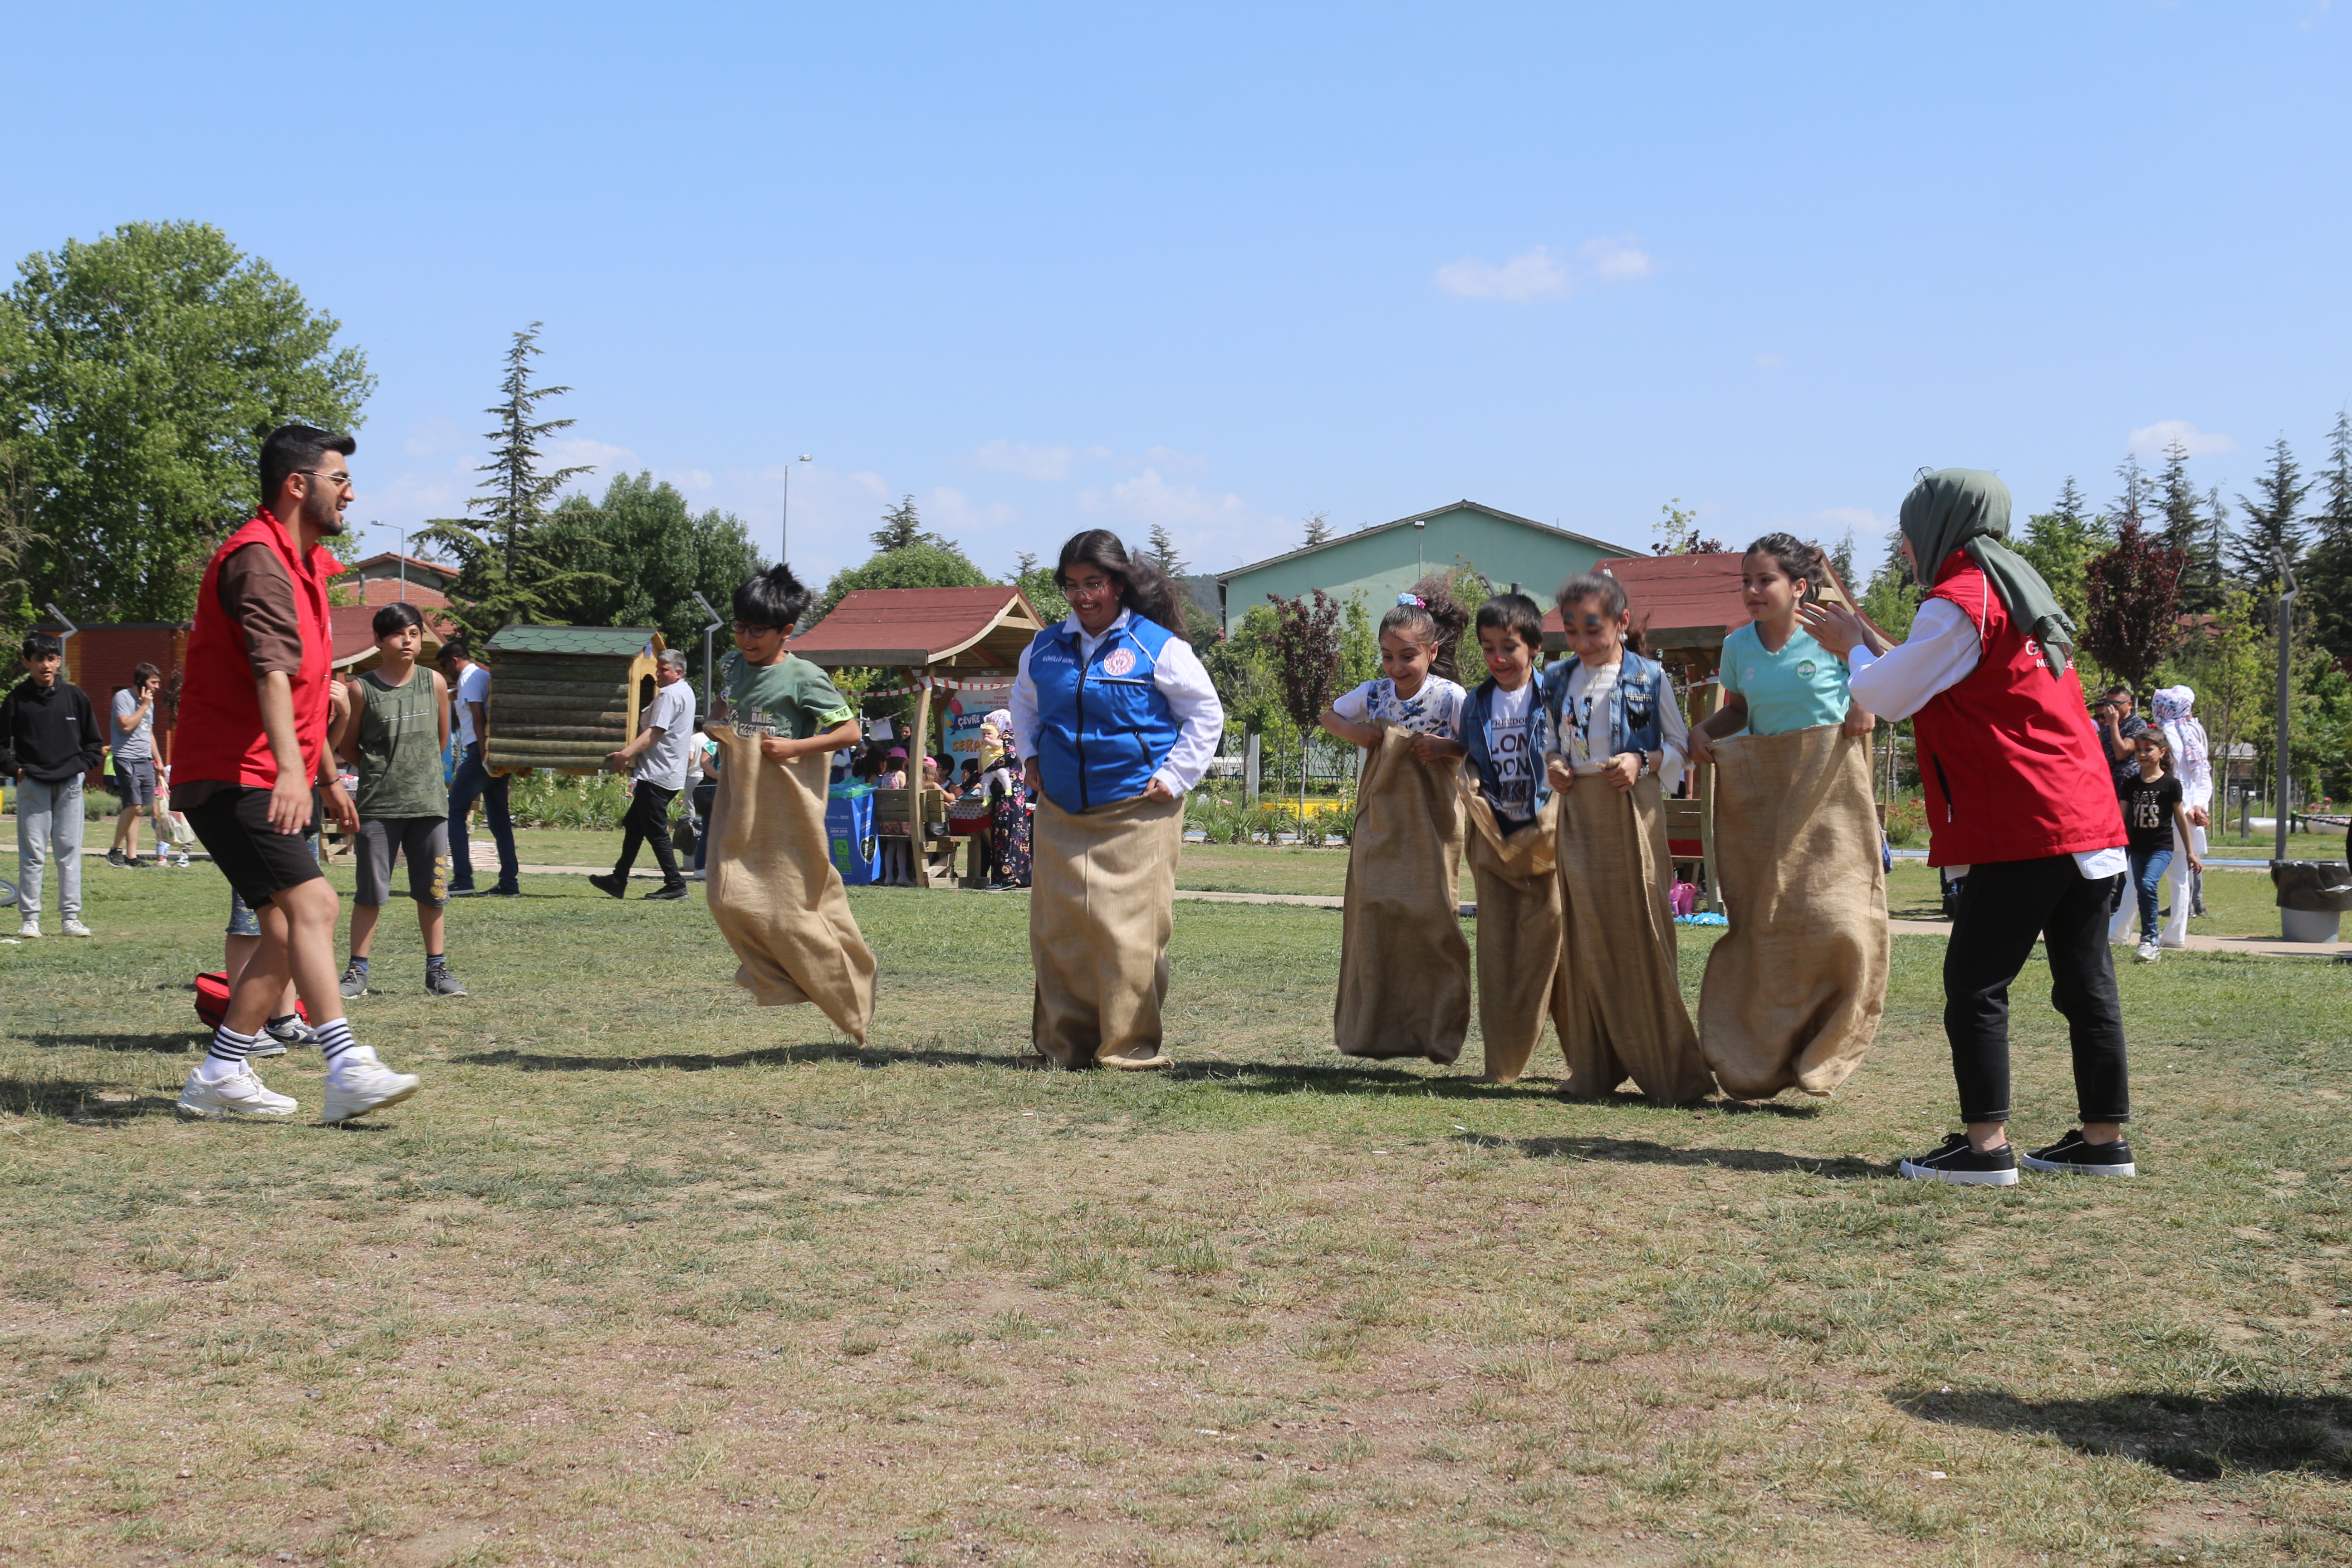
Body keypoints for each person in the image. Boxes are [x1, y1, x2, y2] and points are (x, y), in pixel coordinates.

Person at [1803, 468, 2132, 1186]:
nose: (1906, 548)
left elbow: (1887, 692)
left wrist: (1848, 649)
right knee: (2086, 983)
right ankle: (2104, 1141)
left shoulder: (1960, 598)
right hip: (2080, 813)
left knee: (1976, 982)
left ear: (1937, 529)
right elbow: (1932, 672)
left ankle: (1984, 1150)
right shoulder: (2010, 587)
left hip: (2025, 819)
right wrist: (1863, 633)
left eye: (1910, 533)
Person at [168, 423, 420, 1124]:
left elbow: (308, 688)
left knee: (283, 929)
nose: (351, 491)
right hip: (234, 772)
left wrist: (325, 776)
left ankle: (220, 1073)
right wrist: (289, 770)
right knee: (315, 908)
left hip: (261, 768)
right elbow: (273, 676)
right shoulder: (258, 560)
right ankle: (344, 1065)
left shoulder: (306, 566)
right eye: (340, 479)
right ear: (297, 485)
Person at [1685, 535, 1887, 1102]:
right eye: (1745, 581)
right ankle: (1766, 1050)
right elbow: (1742, 713)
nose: (1752, 591)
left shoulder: (1830, 634)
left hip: (1829, 797)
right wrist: (1706, 731)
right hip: (1764, 802)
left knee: (1835, 919)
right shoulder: (1737, 648)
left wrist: (1862, 705)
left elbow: (1873, 678)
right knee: (1768, 922)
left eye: (1764, 580)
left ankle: (1829, 1046)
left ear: (1799, 587)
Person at [1012, 530, 1223, 1070]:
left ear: (1119, 585)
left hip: (1137, 812)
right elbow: (1025, 707)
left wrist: (1176, 777)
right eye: (1073, 585)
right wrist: (1030, 757)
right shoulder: (1044, 648)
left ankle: (1127, 1049)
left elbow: (1205, 715)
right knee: (1060, 933)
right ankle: (1064, 1047)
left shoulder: (1160, 647)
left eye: (1095, 583)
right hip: (1060, 810)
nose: (1084, 596)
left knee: (1128, 936)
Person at [1540, 573, 1713, 1104]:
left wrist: (1643, 760)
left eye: (1593, 629)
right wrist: (1553, 765)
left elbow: (1681, 747)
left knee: (1644, 930)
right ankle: (1592, 1068)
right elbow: (1545, 741)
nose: (1582, 642)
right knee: (1582, 936)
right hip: (1578, 813)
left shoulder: (1651, 677)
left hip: (1635, 812)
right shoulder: (1554, 678)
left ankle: (1669, 1070)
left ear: (1620, 624)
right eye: (1571, 631)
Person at [702, 564, 875, 1040]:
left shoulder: (805, 676)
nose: (745, 637)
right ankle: (782, 979)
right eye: (739, 626)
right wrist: (715, 725)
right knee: (724, 895)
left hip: (786, 804)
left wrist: (794, 748)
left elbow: (850, 732)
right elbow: (721, 709)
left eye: (757, 629)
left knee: (794, 905)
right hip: (738, 796)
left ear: (786, 631)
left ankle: (843, 984)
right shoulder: (734, 667)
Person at [1320, 590, 1474, 1063]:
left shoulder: (1451, 696)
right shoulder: (1374, 692)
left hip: (1433, 818)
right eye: (1388, 656)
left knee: (1431, 914)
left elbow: (1476, 743)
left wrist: (1445, 749)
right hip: (1382, 817)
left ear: (1433, 652)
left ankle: (1434, 1030)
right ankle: (1373, 1029)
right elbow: (1329, 715)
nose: (1396, 667)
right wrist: (1361, 733)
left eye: (1408, 656)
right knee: (1376, 911)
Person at [1454, 593, 1562, 1082]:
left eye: (1509, 648)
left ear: (1535, 647)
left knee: (1557, 950)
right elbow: (1471, 757)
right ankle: (1501, 1064)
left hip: (1551, 841)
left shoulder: (1557, 696)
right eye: (1488, 648)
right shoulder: (1475, 703)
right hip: (1498, 839)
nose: (1498, 658)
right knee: (1497, 955)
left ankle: (1587, 1060)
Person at [332, 603, 466, 997]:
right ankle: (357, 973)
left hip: (429, 806)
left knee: (434, 891)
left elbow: (441, 741)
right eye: (396, 634)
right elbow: (349, 746)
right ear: (378, 640)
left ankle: (437, 972)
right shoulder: (361, 689)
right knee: (371, 892)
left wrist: (419, 773)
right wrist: (383, 769)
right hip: (379, 806)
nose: (406, 641)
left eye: (413, 633)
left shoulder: (435, 683)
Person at [1, 631, 104, 938]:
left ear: (59, 661)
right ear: (26, 662)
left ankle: (70, 918)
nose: (45, 665)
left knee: (69, 851)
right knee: (32, 854)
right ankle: (30, 919)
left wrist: (81, 769)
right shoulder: (16, 699)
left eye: (51, 659)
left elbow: (94, 744)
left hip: (70, 784)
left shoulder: (75, 697)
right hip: (32, 784)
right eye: (38, 660)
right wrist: (17, 770)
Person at [591, 648, 695, 902]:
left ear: (679, 672)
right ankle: (618, 879)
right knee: (635, 826)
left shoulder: (670, 694)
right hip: (668, 773)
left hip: (657, 775)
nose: (658, 674)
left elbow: (655, 732)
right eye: (658, 668)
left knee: (656, 831)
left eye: (664, 670)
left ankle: (675, 884)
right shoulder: (687, 691)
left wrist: (625, 755)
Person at [440, 638, 519, 898]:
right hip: (494, 752)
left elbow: (478, 717)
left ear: (454, 661)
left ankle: (463, 879)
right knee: (499, 821)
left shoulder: (469, 679)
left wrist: (484, 758)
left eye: (445, 667)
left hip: (480, 752)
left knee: (455, 811)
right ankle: (509, 883)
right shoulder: (482, 676)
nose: (445, 673)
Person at [2117, 730, 2201, 963]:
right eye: (2139, 750)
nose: (2143, 754)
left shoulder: (2171, 784)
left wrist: (2191, 853)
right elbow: (2121, 816)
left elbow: (2181, 819)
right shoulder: (2131, 783)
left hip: (2161, 847)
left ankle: (2150, 940)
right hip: (2137, 848)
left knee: (2147, 884)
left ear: (2162, 752)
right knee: (2142, 889)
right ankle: (2148, 938)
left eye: (2149, 749)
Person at [2151, 685, 2212, 941]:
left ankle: (2120, 929)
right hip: (2185, 813)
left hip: (2167, 813)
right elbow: (2202, 776)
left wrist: (2189, 807)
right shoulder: (2192, 734)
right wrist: (2199, 805)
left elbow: (2174, 781)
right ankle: (2176, 934)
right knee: (2178, 877)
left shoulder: (2166, 737)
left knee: (2139, 872)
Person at [107, 662, 164, 867]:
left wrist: (158, 760)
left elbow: (148, 734)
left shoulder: (150, 703)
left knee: (140, 809)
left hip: (144, 759)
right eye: (154, 682)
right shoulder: (122, 697)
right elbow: (125, 725)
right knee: (134, 804)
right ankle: (115, 850)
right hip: (126, 757)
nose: (157, 687)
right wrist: (144, 706)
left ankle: (132, 856)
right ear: (141, 681)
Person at [982, 710, 1032, 887]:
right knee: (1014, 833)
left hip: (1008, 797)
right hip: (1008, 794)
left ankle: (1007, 878)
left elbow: (1011, 756)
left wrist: (988, 766)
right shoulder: (1005, 736)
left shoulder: (1007, 736)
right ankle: (1021, 877)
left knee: (1006, 832)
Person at [2092, 684, 2149, 795]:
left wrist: (2113, 723)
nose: (2111, 708)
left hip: (2128, 785)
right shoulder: (2109, 726)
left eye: (2116, 704)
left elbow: (2122, 753)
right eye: (2107, 704)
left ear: (2129, 705)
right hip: (2108, 784)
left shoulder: (2137, 724)